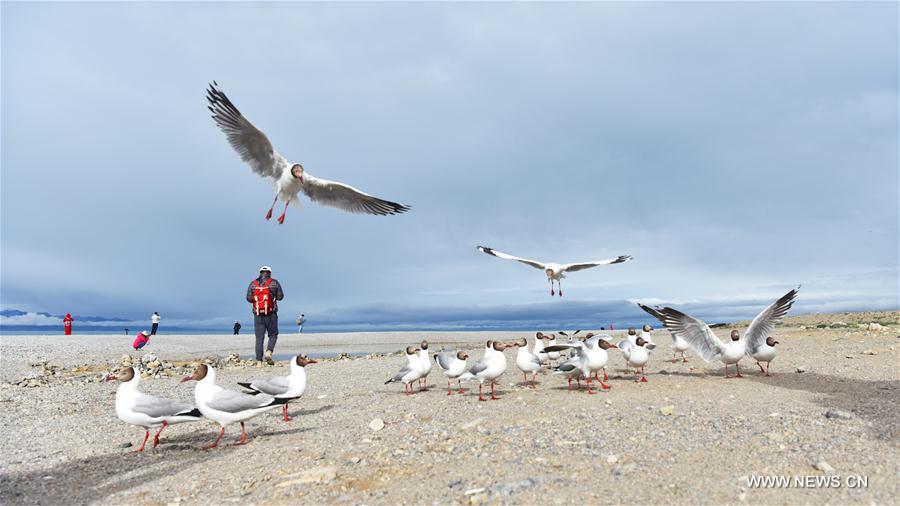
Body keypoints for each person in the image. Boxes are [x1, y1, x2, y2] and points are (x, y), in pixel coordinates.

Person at [246, 265, 284, 365]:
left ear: (260, 272)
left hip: (258, 314)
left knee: (259, 338)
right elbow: (280, 297)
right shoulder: (274, 282)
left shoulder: (253, 284)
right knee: (273, 335)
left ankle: (259, 361)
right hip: (271, 314)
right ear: (270, 273)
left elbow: (249, 299)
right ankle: (269, 352)